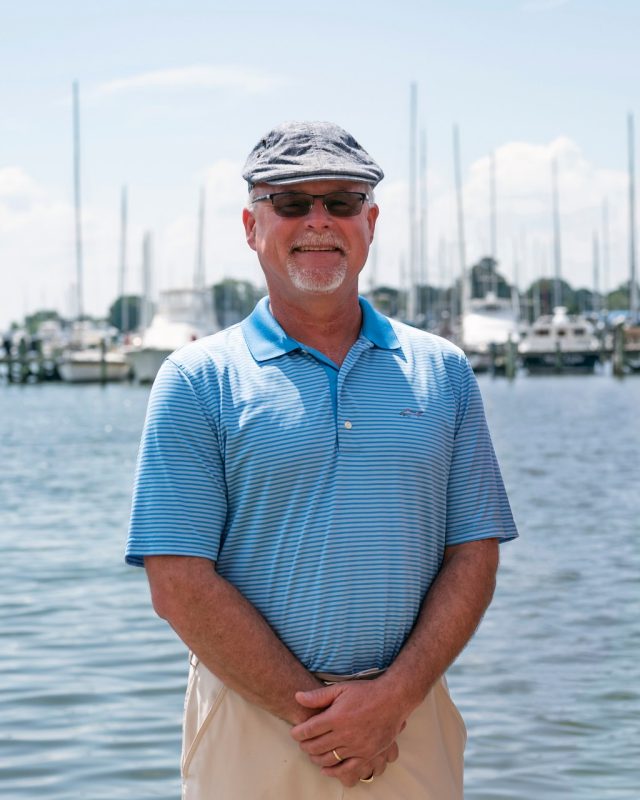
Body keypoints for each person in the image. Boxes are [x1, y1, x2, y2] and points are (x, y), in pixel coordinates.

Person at [125, 121, 518, 799]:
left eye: (340, 202)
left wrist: (393, 699)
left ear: (370, 221)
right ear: (252, 225)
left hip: (409, 719)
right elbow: (178, 580)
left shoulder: (444, 372)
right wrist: (323, 716)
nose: (318, 221)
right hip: (253, 721)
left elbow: (474, 553)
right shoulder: (196, 378)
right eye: (291, 202)